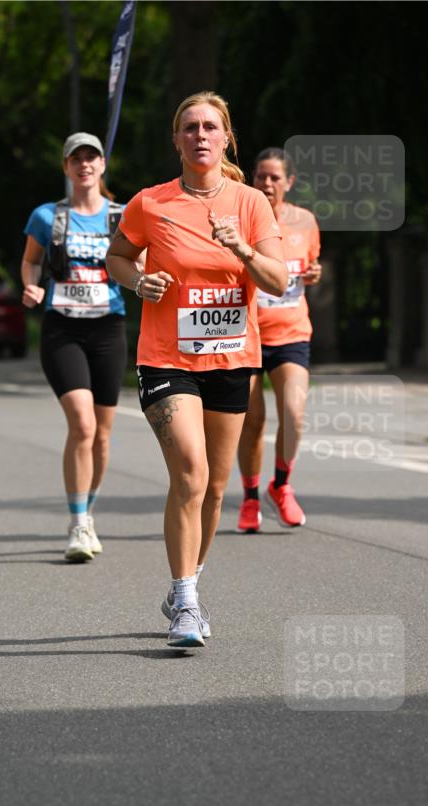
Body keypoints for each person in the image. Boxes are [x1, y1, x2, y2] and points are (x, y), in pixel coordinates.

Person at [106, 92, 287, 647]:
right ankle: (186, 601)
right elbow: (116, 257)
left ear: (227, 137)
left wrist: (244, 251)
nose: (201, 135)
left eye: (211, 127)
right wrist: (139, 281)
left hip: (232, 358)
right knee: (190, 469)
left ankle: (188, 582)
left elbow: (278, 281)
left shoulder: (253, 203)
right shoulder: (150, 203)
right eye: (190, 127)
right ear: (177, 139)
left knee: (213, 489)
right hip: (166, 357)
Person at [20, 132, 128, 562]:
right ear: (66, 167)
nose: (84, 165)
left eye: (92, 158)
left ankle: (89, 509)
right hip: (62, 329)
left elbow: (139, 261)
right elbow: (31, 260)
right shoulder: (47, 217)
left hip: (108, 329)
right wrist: (30, 286)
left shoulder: (122, 217)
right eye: (76, 159)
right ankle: (78, 522)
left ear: (102, 166)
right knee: (82, 425)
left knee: (102, 435)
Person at [236, 148, 321, 532]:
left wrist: (314, 274)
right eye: (260, 177)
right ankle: (251, 498)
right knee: (251, 421)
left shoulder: (305, 221)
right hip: (246, 333)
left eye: (274, 178)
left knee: (294, 412)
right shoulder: (242, 217)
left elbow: (307, 266)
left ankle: (281, 486)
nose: (267, 184)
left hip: (291, 332)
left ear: (289, 182)